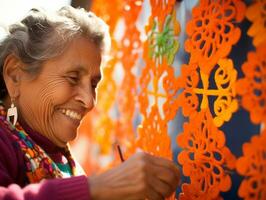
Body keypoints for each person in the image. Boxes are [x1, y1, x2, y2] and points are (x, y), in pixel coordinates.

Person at [0, 5, 180, 200]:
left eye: (93, 84)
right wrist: (98, 188)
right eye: (72, 78)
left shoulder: (61, 155)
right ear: (14, 75)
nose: (89, 101)